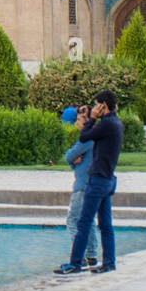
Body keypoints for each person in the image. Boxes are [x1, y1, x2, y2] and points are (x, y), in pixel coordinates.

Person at [56, 90, 123, 275]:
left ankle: (75, 263)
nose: (94, 108)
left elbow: (84, 137)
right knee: (105, 225)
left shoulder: (106, 124)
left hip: (98, 180)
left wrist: (91, 118)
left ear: (103, 106)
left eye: (96, 105)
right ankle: (109, 261)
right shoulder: (115, 123)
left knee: (84, 222)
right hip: (108, 179)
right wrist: (90, 117)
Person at [62, 106, 101, 268]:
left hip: (81, 186)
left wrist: (72, 160)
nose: (75, 122)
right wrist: (73, 162)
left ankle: (80, 254)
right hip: (90, 183)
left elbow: (68, 156)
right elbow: (74, 162)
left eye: (78, 120)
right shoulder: (95, 140)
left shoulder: (85, 140)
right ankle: (92, 254)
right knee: (88, 219)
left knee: (73, 220)